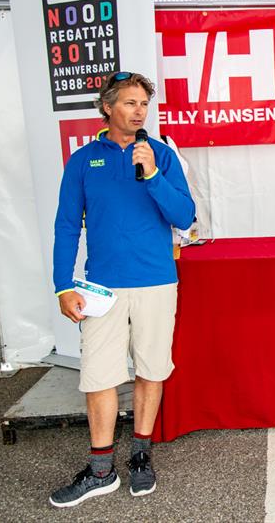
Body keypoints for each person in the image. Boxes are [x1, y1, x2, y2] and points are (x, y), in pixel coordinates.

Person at [49, 72, 195, 507]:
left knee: (151, 369)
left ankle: (140, 456)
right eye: (130, 103)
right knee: (99, 375)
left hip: (156, 283)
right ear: (108, 107)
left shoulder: (161, 156)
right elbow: (65, 226)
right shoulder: (82, 161)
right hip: (102, 288)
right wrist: (62, 286)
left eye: (144, 104)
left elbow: (184, 216)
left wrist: (151, 173)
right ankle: (100, 470)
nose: (139, 111)